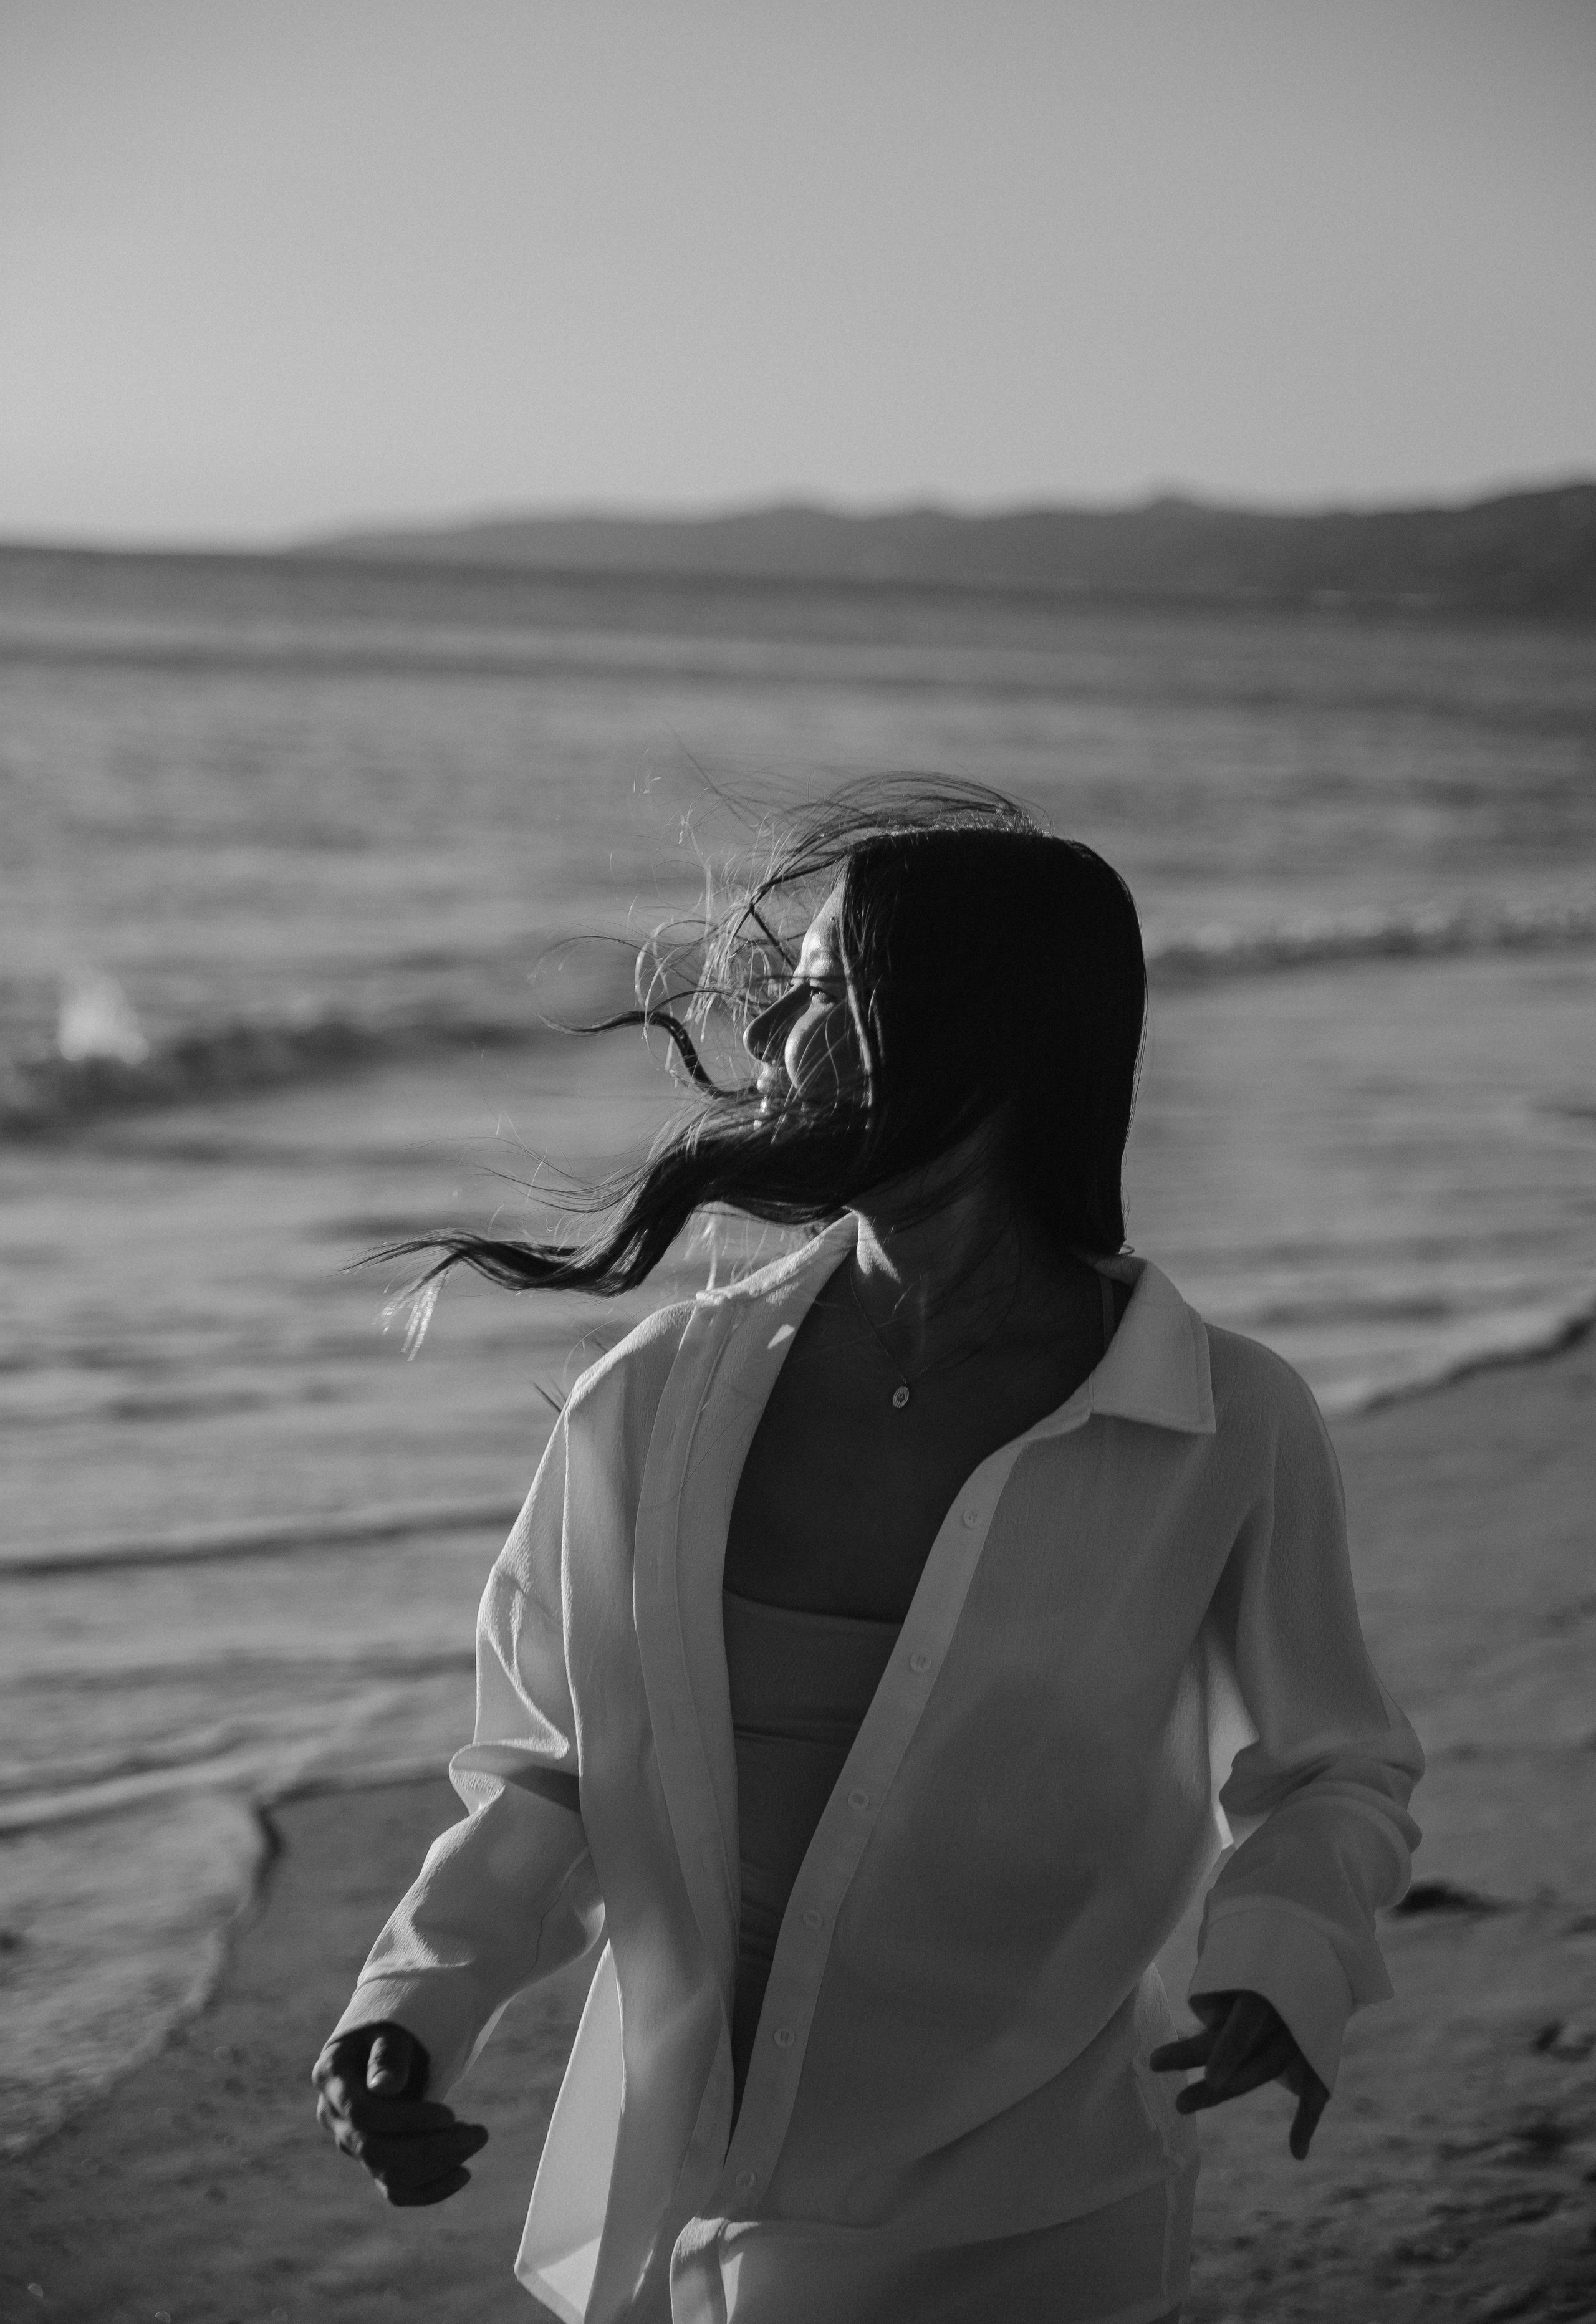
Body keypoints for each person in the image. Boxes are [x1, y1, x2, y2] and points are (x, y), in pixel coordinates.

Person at [312, 784, 1422, 2324]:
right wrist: (414, 2008)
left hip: (1027, 2212)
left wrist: (1281, 1954)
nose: (765, 1046)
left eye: (817, 996)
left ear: (964, 1034)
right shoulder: (655, 1397)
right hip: (670, 2191)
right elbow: (551, 1766)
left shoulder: (1217, 1422)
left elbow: (1333, 1768)